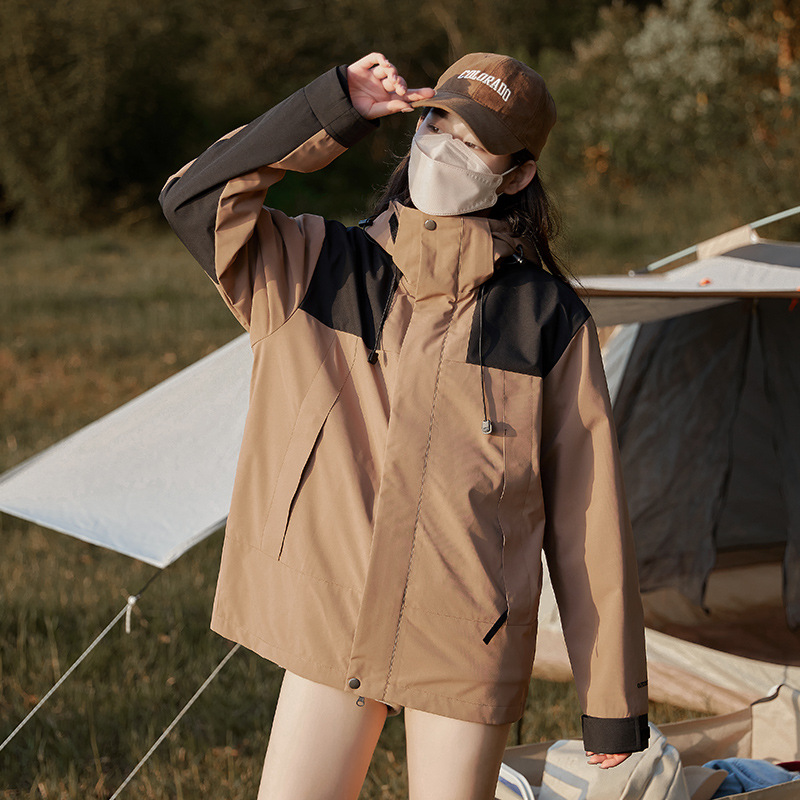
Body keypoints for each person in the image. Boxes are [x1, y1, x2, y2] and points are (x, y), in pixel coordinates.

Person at [160, 51, 649, 800]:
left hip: (464, 636)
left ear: (516, 175)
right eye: (435, 119)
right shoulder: (312, 264)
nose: (441, 145)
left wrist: (611, 704)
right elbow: (194, 199)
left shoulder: (548, 321)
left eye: (472, 138)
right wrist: (336, 108)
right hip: (332, 614)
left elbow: (590, 521)